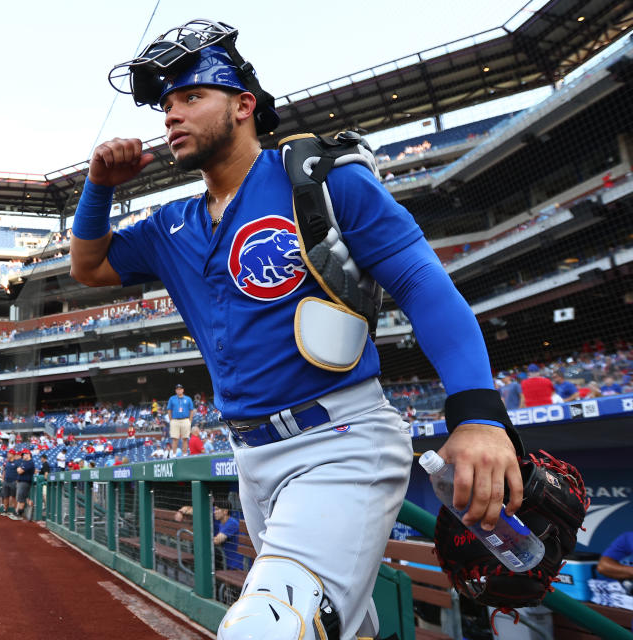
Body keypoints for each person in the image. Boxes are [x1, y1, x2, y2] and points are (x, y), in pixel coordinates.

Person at [71, 21, 521, 639]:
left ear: (243, 106)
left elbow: (422, 283)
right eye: (167, 105)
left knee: (270, 627)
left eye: (192, 97)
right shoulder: (168, 226)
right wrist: (97, 187)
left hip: (340, 440)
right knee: (342, 628)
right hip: (250, 458)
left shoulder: (321, 180)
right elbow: (89, 265)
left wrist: (478, 414)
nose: (172, 115)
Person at [166, 383, 194, 456]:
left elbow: (191, 410)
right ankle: (174, 454)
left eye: (180, 389)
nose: (179, 390)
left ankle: (184, 453)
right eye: (177, 389)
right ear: (176, 391)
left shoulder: (188, 399)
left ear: (183, 390)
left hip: (185, 419)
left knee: (185, 438)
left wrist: (190, 420)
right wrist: (171, 419)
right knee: (175, 438)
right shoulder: (172, 399)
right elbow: (169, 410)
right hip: (175, 420)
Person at [15, 449, 35, 519]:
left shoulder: (30, 462)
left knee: (22, 498)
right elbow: (18, 470)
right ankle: (18, 512)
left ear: (28, 454)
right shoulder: (25, 462)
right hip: (22, 482)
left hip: (25, 482)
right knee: (20, 498)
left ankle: (20, 514)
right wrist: (18, 469)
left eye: (23, 454)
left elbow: (20, 471)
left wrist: (18, 469)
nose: (22, 456)